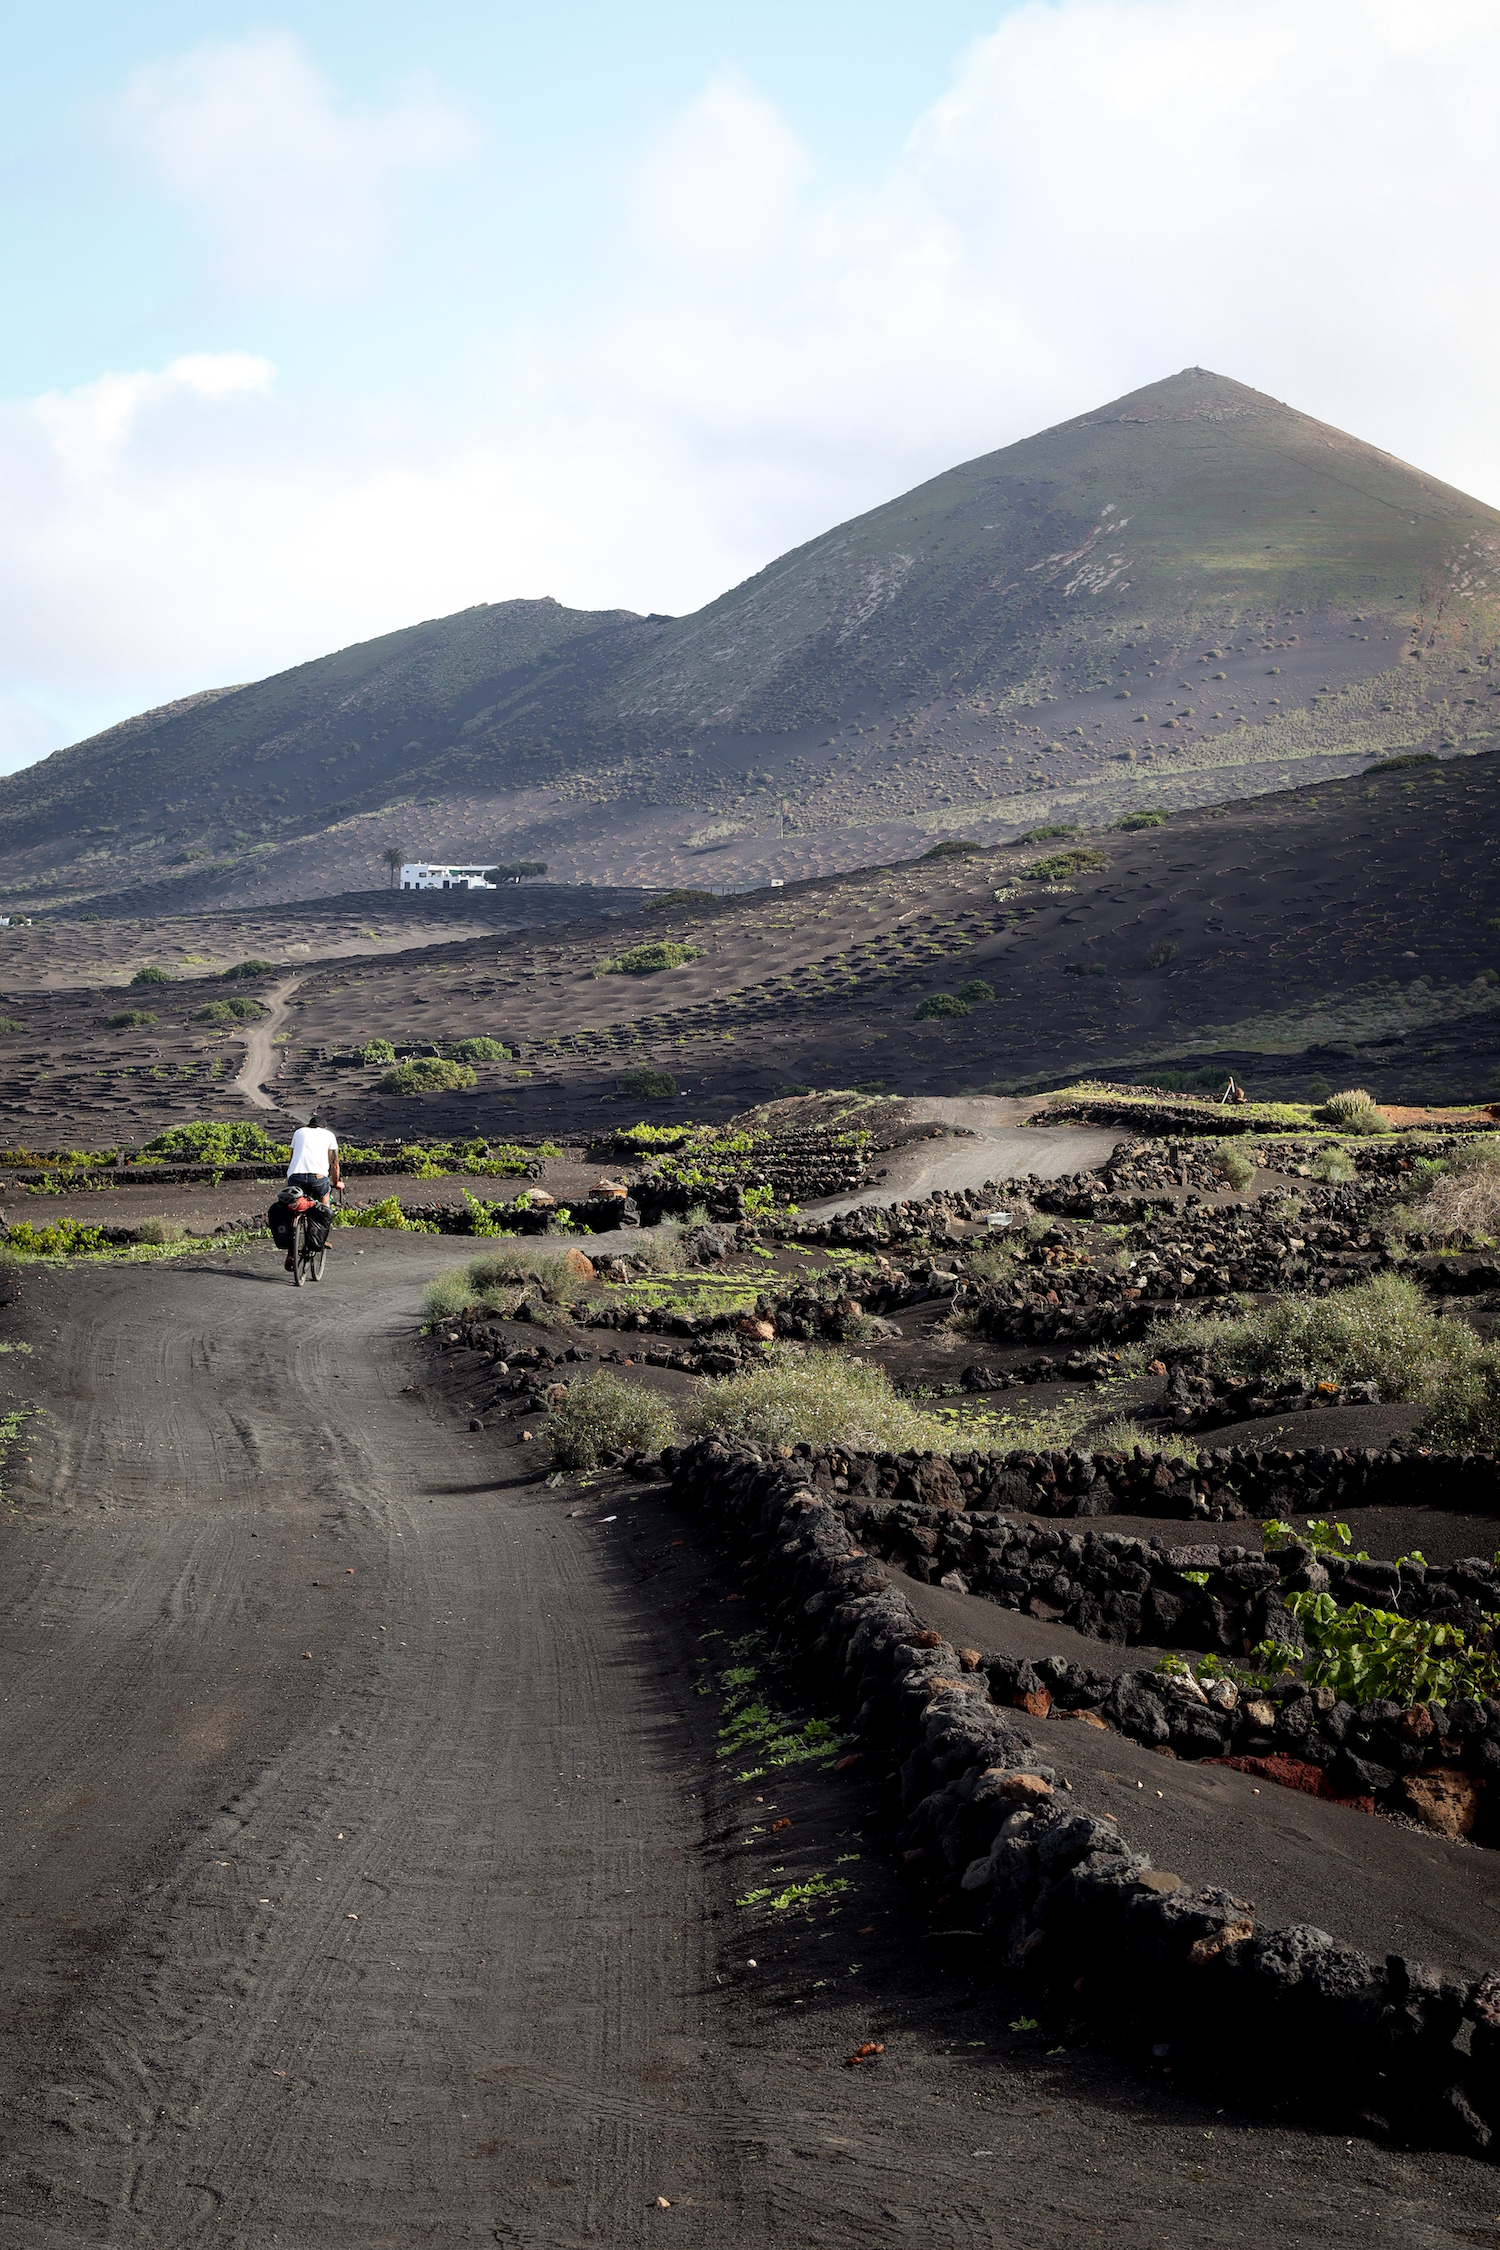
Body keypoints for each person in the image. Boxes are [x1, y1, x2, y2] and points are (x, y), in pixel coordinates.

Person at [283, 1113, 342, 1270]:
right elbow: (334, 1163)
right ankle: (321, 1238)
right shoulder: (329, 1135)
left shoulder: (299, 1132)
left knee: (294, 1209)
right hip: (318, 1178)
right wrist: (337, 1182)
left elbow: (292, 1157)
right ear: (324, 1128)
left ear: (309, 1126)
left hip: (295, 1177)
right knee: (324, 1201)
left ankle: (291, 1252)